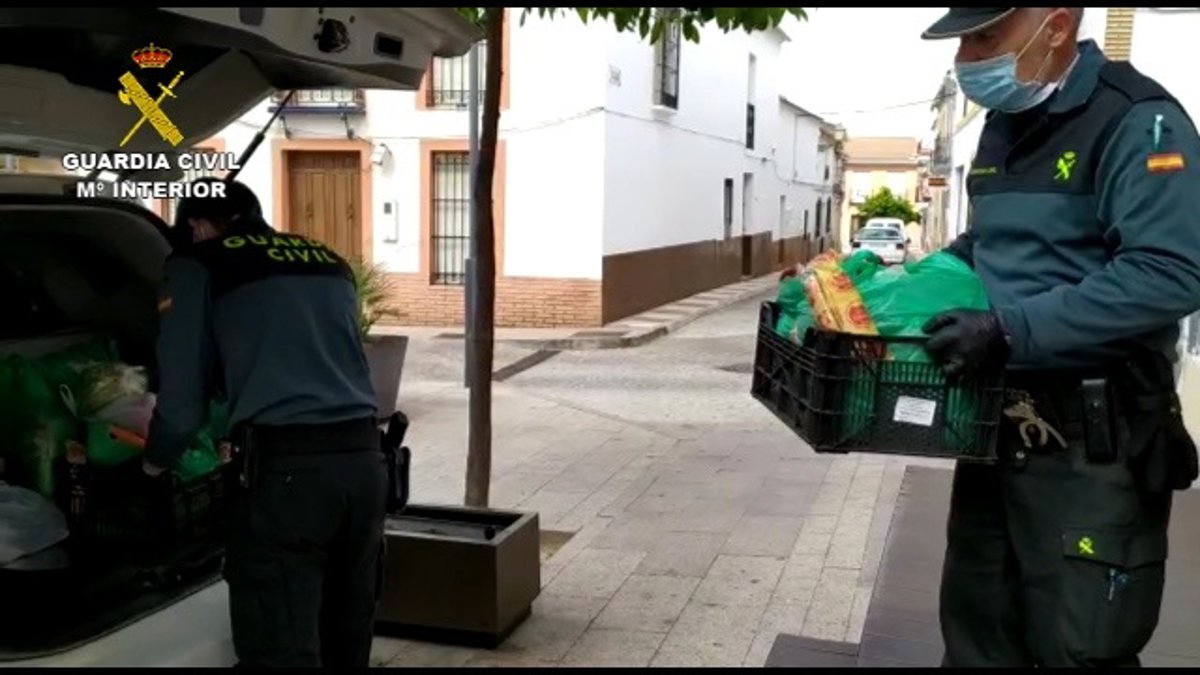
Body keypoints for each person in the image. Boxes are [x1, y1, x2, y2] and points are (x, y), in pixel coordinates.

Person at [918, 7, 1200, 667]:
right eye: (963, 40)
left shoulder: (1138, 120)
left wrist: (1010, 329)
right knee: (977, 637)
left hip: (1092, 446)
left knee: (1076, 647)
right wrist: (886, 290)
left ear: (1056, 24)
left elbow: (1169, 272)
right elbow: (985, 248)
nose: (966, 58)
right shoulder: (1003, 125)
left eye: (985, 37)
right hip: (993, 430)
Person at [142, 177, 388, 668]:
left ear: (197, 226)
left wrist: (154, 463)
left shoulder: (198, 264)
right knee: (345, 637)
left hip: (287, 480)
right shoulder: (326, 259)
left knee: (279, 646)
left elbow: (182, 402)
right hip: (365, 466)